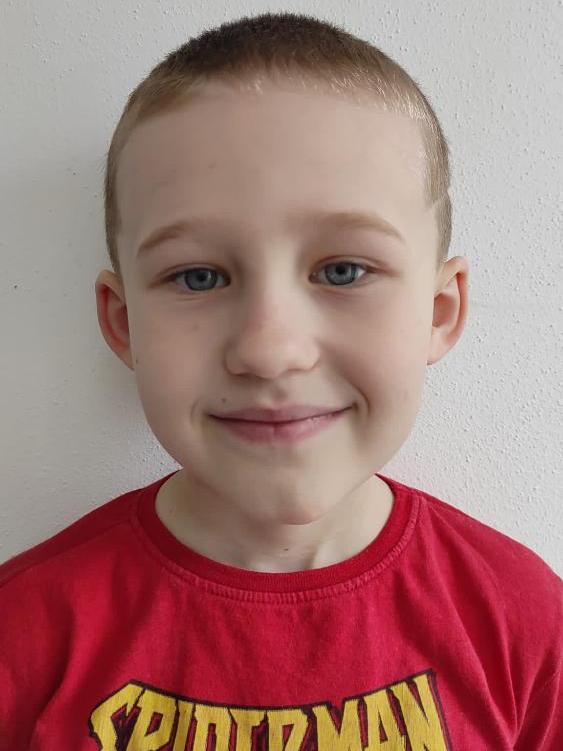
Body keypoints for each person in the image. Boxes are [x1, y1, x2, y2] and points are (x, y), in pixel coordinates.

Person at [1, 11, 560, 750]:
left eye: (343, 270)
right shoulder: (22, 634)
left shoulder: (525, 623)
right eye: (198, 276)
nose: (269, 350)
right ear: (124, 322)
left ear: (438, 310)